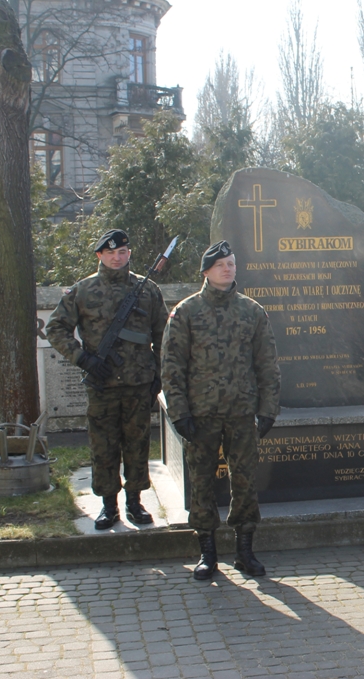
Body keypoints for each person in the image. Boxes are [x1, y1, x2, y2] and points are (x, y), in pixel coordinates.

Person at [161, 240, 281, 580]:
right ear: (206, 272)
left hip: (241, 412)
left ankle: (245, 551)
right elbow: (171, 367)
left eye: (231, 263)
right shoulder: (186, 312)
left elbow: (268, 364)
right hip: (201, 414)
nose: (227, 269)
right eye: (220, 265)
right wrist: (179, 412)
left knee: (244, 480)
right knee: (201, 481)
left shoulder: (252, 311)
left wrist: (268, 409)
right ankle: (207, 552)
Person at [46, 229, 167, 531]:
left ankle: (135, 502)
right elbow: (56, 328)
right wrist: (82, 358)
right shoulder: (83, 290)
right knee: (103, 446)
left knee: (138, 444)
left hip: (139, 383)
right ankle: (109, 505)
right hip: (103, 385)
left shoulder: (147, 290)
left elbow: (164, 335)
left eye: (122, 252)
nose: (117, 257)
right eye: (110, 252)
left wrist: (159, 374)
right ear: (100, 255)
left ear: (129, 254)